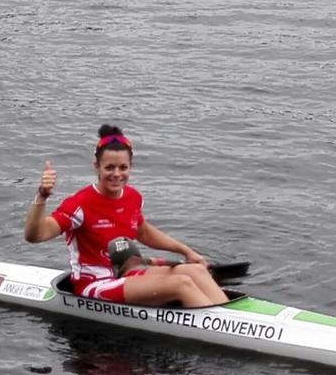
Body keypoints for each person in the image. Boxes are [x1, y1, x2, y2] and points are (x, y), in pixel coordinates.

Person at [24, 124, 228, 308]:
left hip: (126, 274)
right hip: (94, 286)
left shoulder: (133, 197)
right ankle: (225, 329)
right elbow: (35, 235)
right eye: (109, 167)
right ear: (96, 167)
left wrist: (186, 251)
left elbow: (144, 232)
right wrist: (42, 195)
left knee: (195, 271)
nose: (116, 174)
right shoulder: (80, 204)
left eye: (123, 167)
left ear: (131, 166)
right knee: (181, 283)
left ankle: (236, 318)